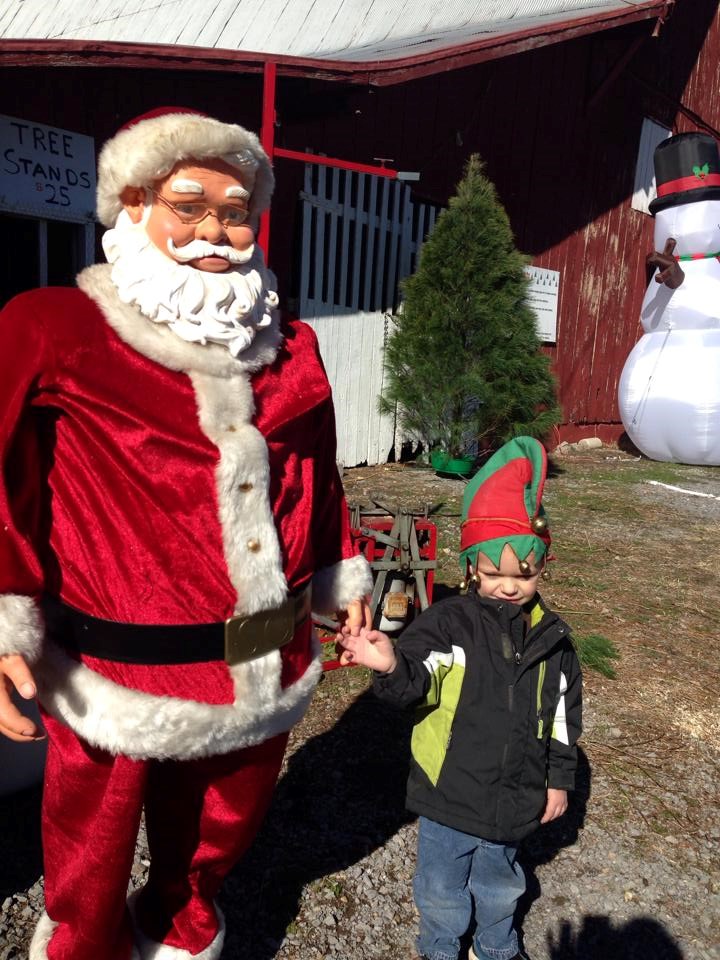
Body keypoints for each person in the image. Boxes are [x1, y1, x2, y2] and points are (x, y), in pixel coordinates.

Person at [0, 107, 372, 960]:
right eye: (189, 203)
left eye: (235, 210)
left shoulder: (296, 347)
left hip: (263, 656)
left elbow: (318, 476)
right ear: (134, 205)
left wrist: (337, 584)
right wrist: (5, 612)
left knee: (219, 831)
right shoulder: (57, 327)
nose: (216, 228)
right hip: (117, 663)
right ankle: (84, 944)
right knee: (90, 843)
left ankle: (180, 920)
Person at [338, 436, 582, 960]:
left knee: (502, 884)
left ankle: (495, 945)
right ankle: (441, 947)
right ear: (473, 567)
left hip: (516, 795)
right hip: (450, 793)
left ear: (542, 568)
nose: (510, 587)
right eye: (494, 574)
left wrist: (559, 779)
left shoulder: (553, 641)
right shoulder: (450, 625)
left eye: (525, 574)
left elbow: (563, 717)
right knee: (441, 889)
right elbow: (416, 678)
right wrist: (389, 663)